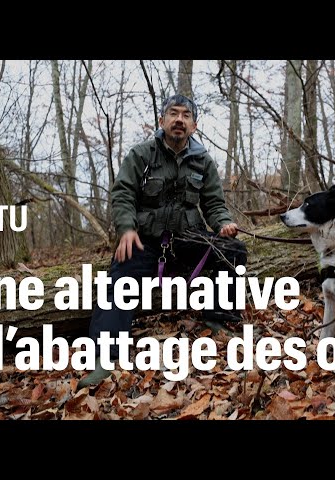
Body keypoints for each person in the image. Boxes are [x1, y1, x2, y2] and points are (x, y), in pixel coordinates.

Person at [78, 94, 247, 388]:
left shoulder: (203, 161)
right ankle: (105, 358)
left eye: (185, 115)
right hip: (146, 241)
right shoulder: (142, 154)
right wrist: (127, 229)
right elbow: (123, 194)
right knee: (116, 282)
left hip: (187, 239)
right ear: (162, 121)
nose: (179, 120)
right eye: (173, 114)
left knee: (232, 250)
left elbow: (214, 204)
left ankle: (218, 319)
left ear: (194, 125)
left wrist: (223, 223)